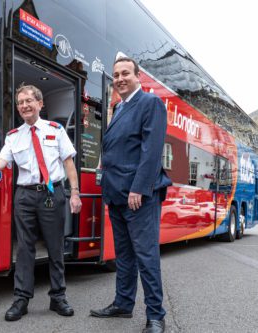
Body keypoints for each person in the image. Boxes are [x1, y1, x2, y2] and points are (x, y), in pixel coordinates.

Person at [0, 84, 82, 321]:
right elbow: (1, 163)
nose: (24, 106)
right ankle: (21, 299)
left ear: (40, 104)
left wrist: (74, 193)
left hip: (52, 194)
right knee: (24, 248)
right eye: (20, 102)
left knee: (55, 247)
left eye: (28, 101)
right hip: (24, 196)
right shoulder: (14, 136)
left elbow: (69, 164)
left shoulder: (56, 130)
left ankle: (58, 297)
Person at [89, 57, 171, 333]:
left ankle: (156, 316)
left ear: (138, 76)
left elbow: (151, 149)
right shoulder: (118, 107)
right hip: (116, 195)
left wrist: (139, 187)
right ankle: (123, 304)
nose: (120, 78)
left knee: (146, 257)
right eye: (116, 74)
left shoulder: (150, 103)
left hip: (139, 196)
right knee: (124, 255)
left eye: (126, 73)